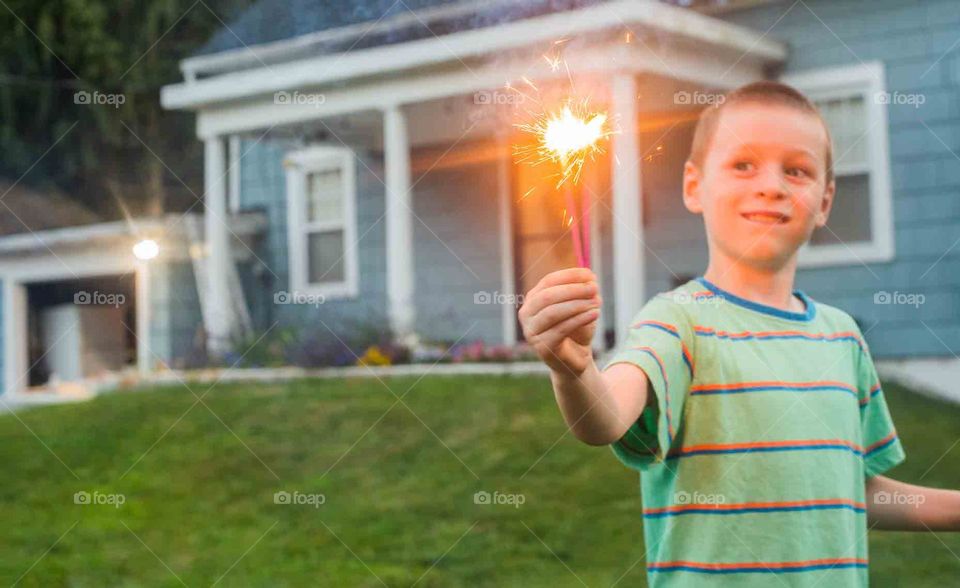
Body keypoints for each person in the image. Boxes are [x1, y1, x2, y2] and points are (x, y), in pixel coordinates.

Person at [518, 81, 960, 587]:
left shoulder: (842, 337)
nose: (771, 186)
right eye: (743, 164)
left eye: (796, 170)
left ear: (824, 201)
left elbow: (853, 490)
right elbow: (606, 419)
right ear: (694, 186)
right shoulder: (677, 321)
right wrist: (573, 371)